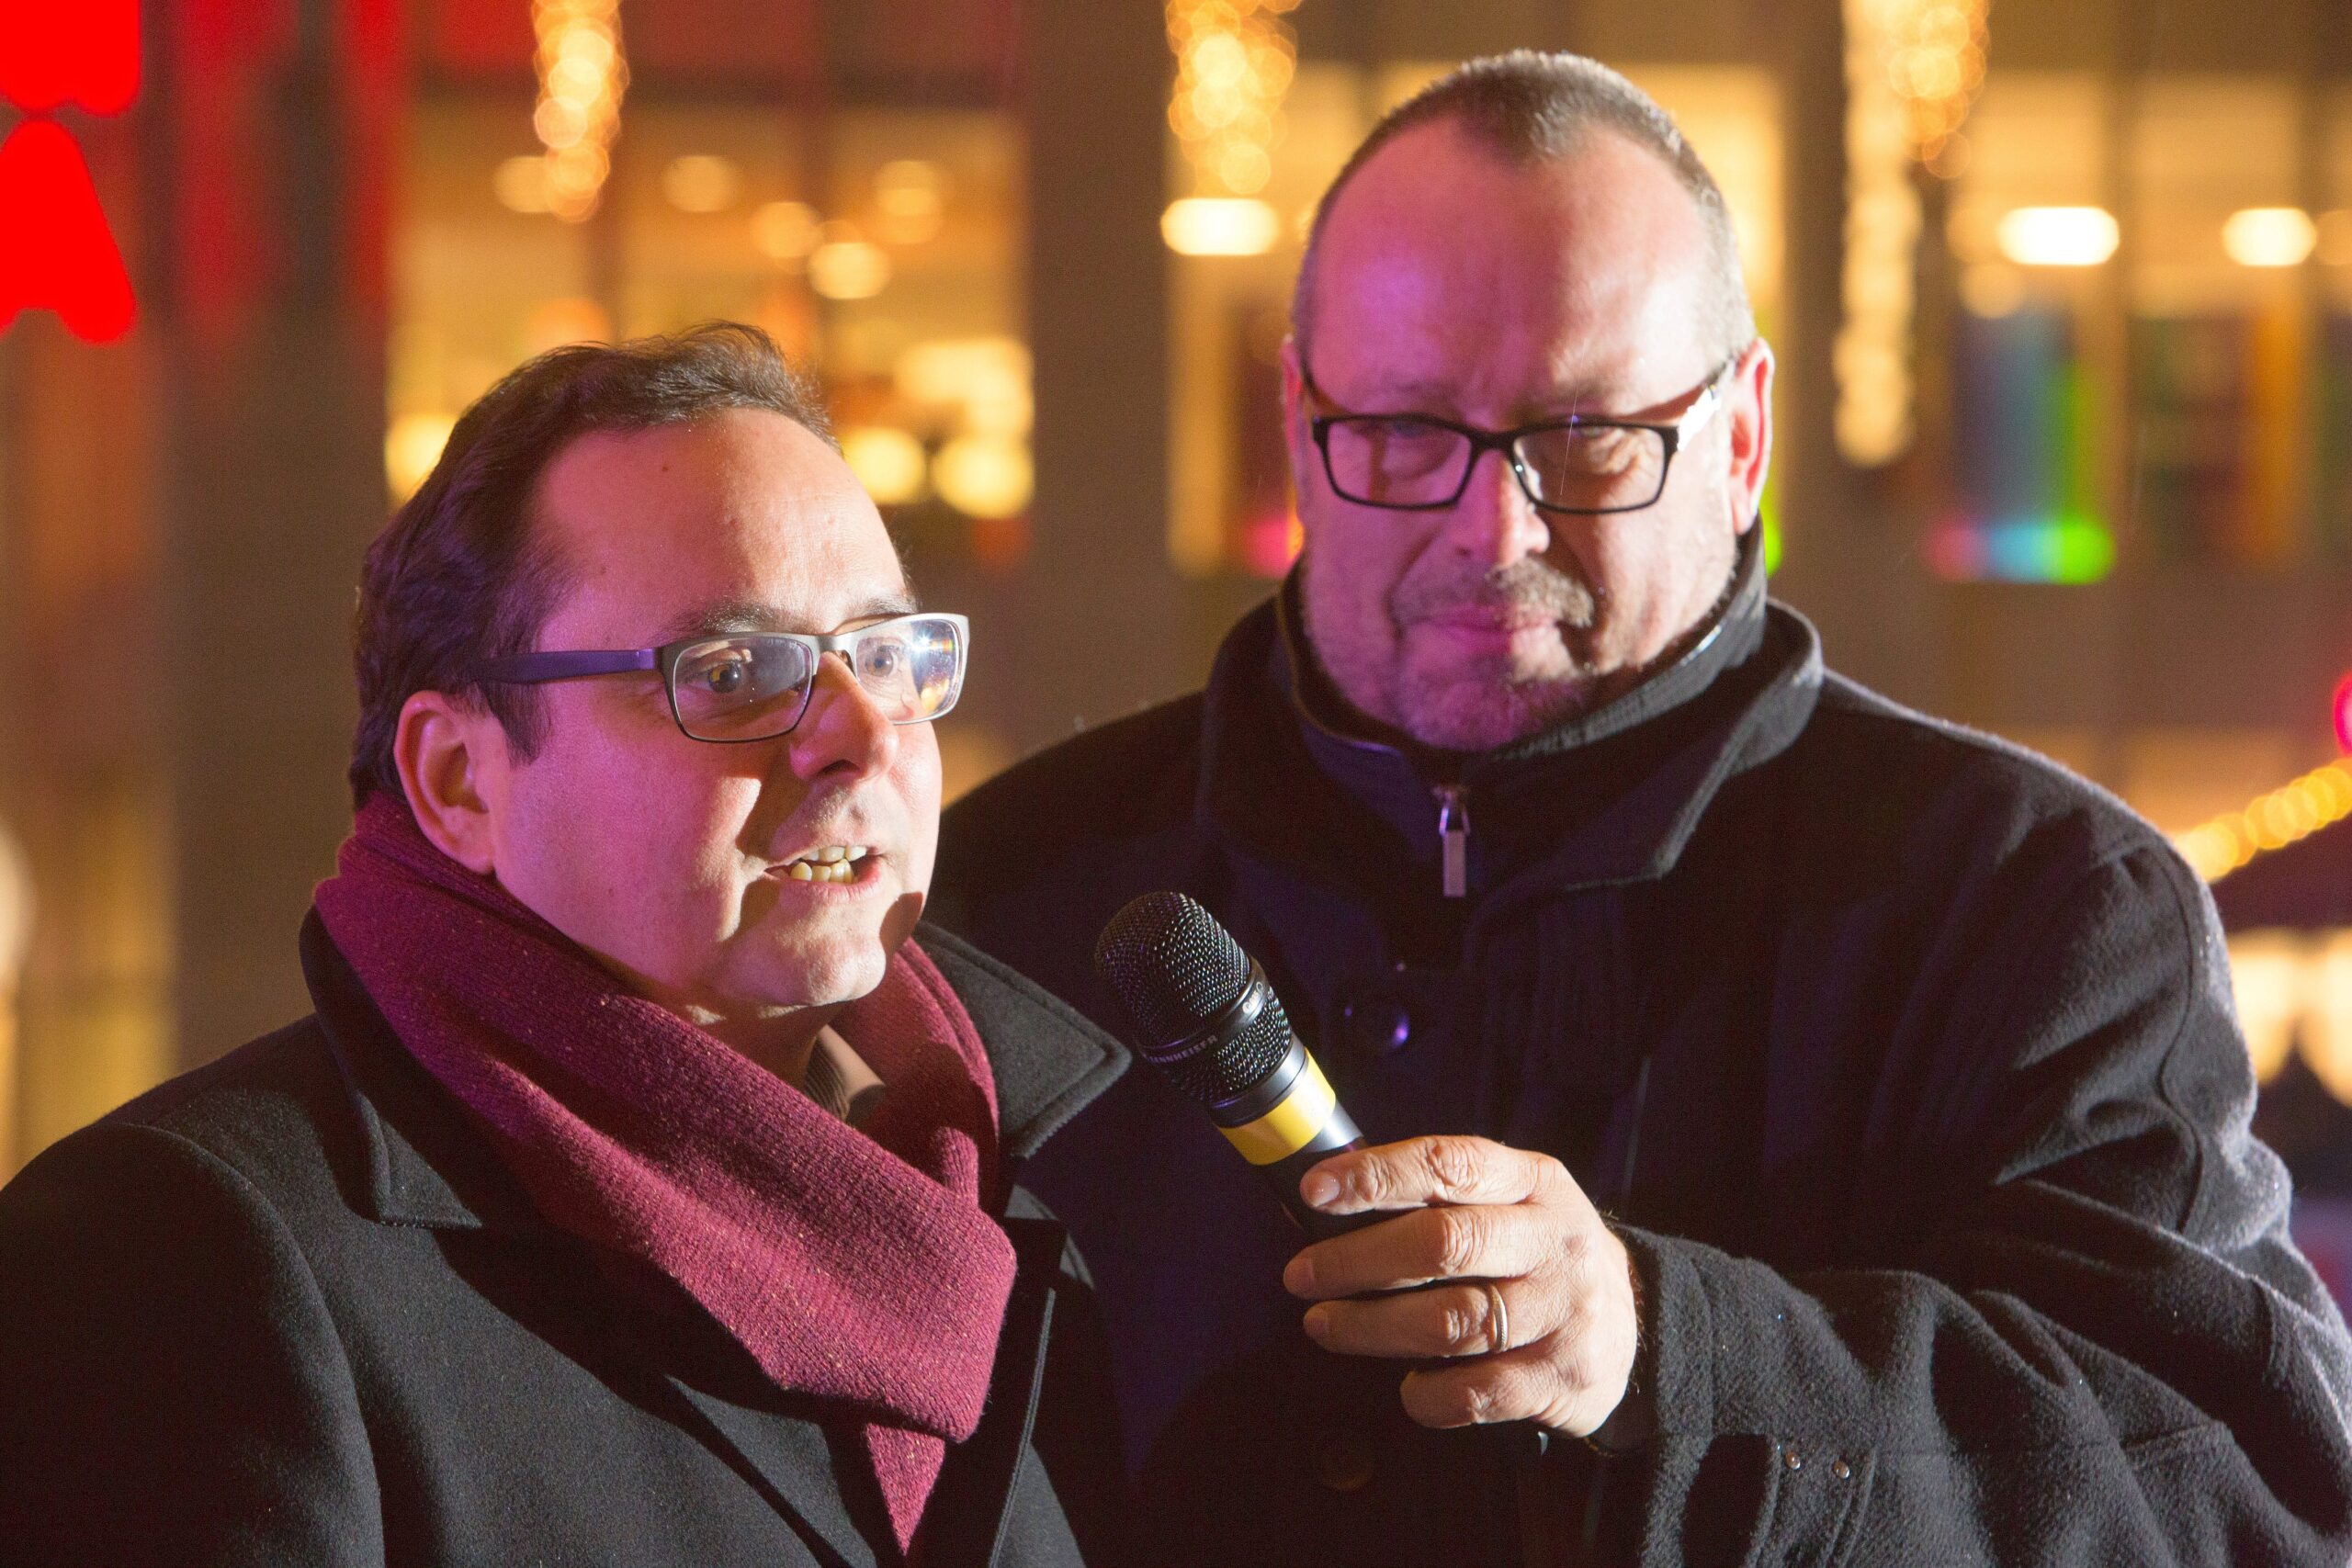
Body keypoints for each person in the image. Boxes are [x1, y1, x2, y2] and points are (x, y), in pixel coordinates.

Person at [931, 52, 2352, 1566]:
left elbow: (2241, 1492)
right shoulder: (1009, 896)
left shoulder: (2049, 907)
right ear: (1299, 421)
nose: (1495, 531)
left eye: (1586, 441)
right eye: (1406, 433)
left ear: (1741, 436)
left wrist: (1670, 1355)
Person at [0, 325, 1131, 1567]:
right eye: (738, 670)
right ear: (458, 781)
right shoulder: (179, 1257)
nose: (862, 736)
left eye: (886, 653)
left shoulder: (1003, 1201)